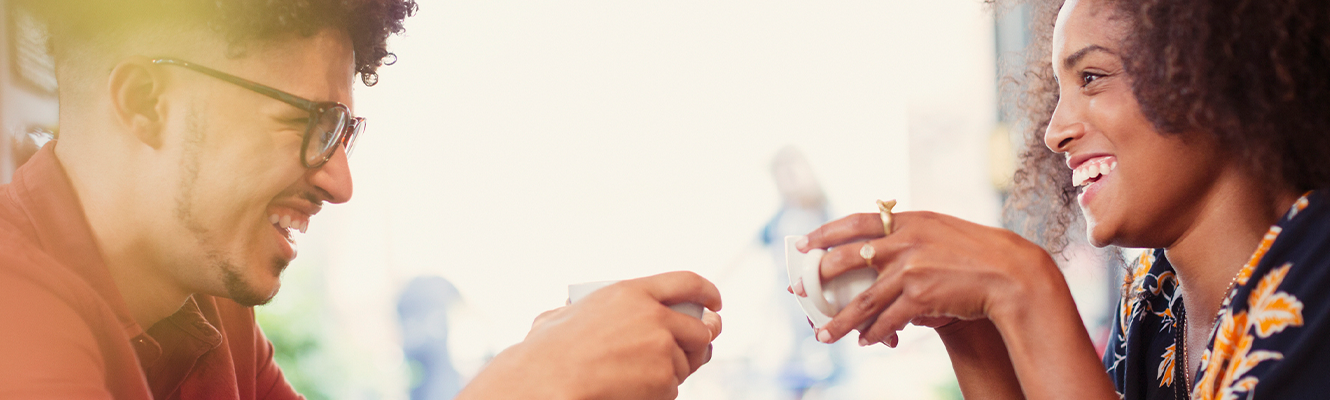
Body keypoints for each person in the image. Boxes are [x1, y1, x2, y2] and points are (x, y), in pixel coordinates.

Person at [0, 1, 721, 399]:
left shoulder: (211, 305)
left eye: (345, 132)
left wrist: (552, 369)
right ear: (148, 102)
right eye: (308, 125)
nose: (341, 183)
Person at [789, 0, 1330, 399]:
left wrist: (1024, 285)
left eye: (1091, 77)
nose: (1054, 131)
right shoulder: (1152, 301)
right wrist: (967, 327)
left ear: (1213, 73)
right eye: (1059, 90)